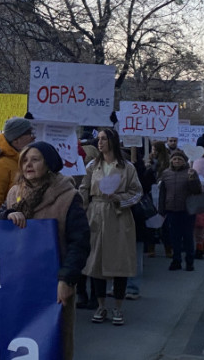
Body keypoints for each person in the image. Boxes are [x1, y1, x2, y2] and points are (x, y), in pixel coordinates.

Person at [1, 141, 89, 360]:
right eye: (25, 160)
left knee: (54, 342)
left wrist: (67, 280)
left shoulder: (68, 196)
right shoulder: (14, 193)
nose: (28, 165)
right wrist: (5, 216)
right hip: (19, 281)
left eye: (35, 159)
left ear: (49, 163)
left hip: (53, 282)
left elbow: (80, 242)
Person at [80, 128, 142, 326]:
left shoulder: (127, 167)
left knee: (119, 262)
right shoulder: (93, 165)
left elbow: (137, 192)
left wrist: (119, 199)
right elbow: (84, 189)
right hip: (96, 214)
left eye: (104, 139)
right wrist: (80, 208)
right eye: (98, 139)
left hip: (118, 216)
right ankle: (100, 305)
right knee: (96, 262)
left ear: (112, 141)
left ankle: (118, 307)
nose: (100, 143)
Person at [0, 117, 35, 220]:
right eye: (29, 133)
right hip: (10, 228)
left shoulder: (21, 161)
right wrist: (5, 218)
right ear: (16, 140)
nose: (33, 137)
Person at [157, 149, 195, 271]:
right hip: (172, 210)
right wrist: (162, 209)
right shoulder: (166, 173)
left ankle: (189, 261)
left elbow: (197, 190)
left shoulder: (190, 172)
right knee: (175, 238)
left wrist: (192, 179)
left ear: (184, 161)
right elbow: (163, 192)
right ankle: (176, 260)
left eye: (179, 159)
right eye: (174, 159)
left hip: (187, 210)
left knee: (188, 237)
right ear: (171, 161)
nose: (177, 161)